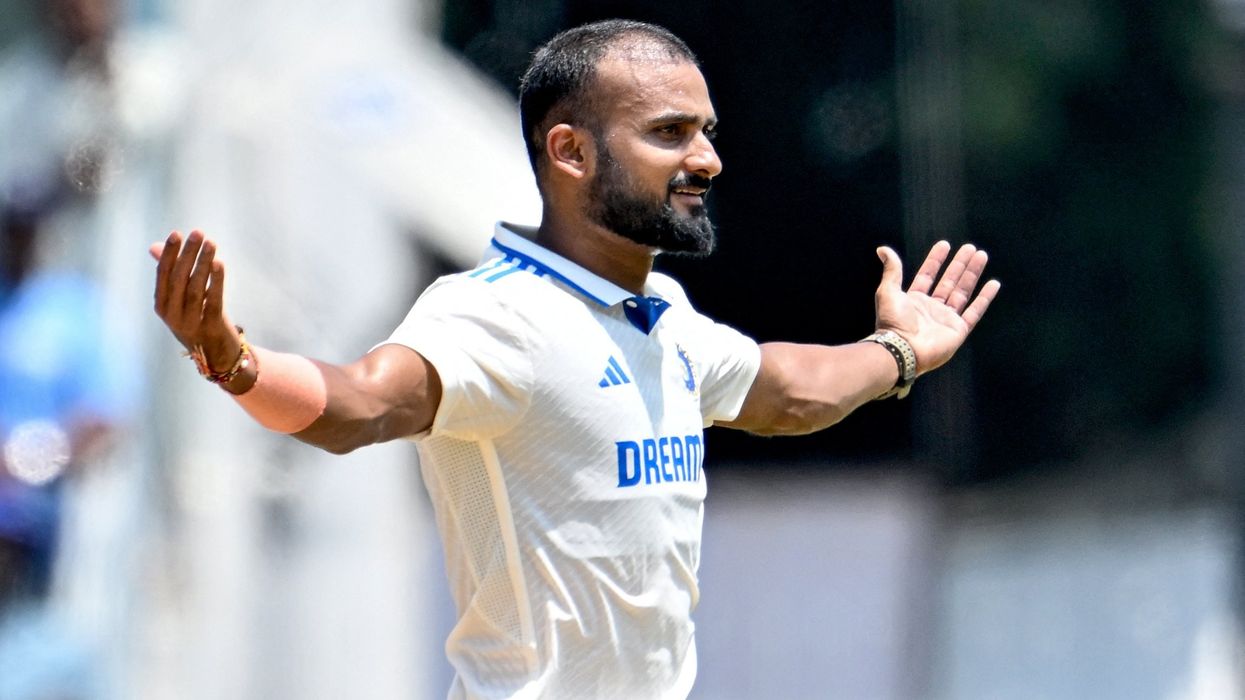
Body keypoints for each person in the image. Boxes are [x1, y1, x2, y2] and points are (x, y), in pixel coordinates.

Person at [150, 19, 1000, 699]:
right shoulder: (495, 314)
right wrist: (233, 358)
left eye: (704, 131)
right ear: (570, 152)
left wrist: (899, 352)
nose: (706, 159)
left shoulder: (659, 312)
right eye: (669, 133)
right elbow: (357, 405)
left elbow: (784, 391)